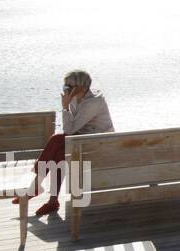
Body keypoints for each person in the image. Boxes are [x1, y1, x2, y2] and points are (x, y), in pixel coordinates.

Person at [15, 70, 114, 217]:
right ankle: (52, 201)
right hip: (82, 139)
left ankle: (37, 188)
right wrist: (68, 104)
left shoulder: (93, 102)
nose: (65, 89)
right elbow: (72, 130)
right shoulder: (76, 97)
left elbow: (69, 130)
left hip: (97, 145)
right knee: (60, 154)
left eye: (69, 86)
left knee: (56, 139)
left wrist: (65, 107)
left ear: (81, 86)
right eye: (64, 85)